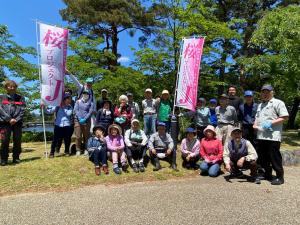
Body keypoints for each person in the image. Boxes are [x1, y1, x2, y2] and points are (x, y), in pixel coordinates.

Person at [253, 84, 289, 185]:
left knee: (274, 157)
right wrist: (255, 124)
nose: (265, 93)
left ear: (272, 92)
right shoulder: (260, 105)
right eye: (263, 92)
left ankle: (279, 177)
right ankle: (267, 174)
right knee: (263, 157)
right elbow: (257, 117)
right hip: (261, 135)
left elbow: (285, 117)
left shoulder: (278, 103)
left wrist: (270, 123)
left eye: (267, 91)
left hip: (273, 136)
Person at [0, 80, 26, 166]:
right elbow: (1, 110)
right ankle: (3, 159)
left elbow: (22, 110)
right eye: (10, 86)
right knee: (4, 141)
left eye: (14, 86)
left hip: (17, 122)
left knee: (17, 140)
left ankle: (16, 158)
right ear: (6, 87)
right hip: (5, 122)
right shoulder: (1, 97)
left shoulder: (21, 98)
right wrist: (9, 119)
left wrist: (16, 119)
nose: (12, 88)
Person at [45, 93, 74, 158]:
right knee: (55, 139)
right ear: (64, 99)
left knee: (67, 139)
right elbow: (48, 111)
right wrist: (44, 106)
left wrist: (63, 107)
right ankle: (52, 152)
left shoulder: (70, 107)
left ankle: (66, 151)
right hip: (58, 125)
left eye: (70, 99)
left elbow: (68, 114)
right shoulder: (57, 106)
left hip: (67, 125)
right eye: (68, 99)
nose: (69, 101)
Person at [74, 90, 94, 156]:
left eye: (87, 93)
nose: (85, 94)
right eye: (84, 93)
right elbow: (76, 110)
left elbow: (90, 112)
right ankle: (78, 150)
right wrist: (80, 119)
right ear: (82, 94)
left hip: (87, 121)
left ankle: (86, 149)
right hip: (78, 121)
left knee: (86, 136)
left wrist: (84, 119)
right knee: (78, 136)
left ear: (89, 95)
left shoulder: (91, 103)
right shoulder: (78, 101)